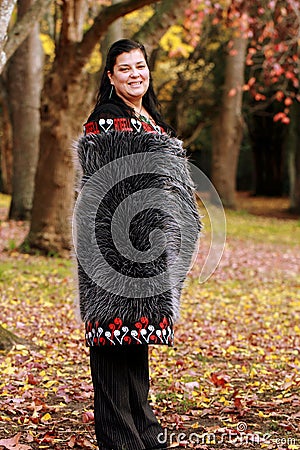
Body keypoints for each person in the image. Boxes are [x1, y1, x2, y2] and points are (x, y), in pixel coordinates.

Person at [74, 39, 200, 450]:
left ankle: (145, 433)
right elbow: (111, 182)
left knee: (133, 343)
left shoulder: (151, 119)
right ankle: (120, 440)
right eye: (124, 68)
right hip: (112, 246)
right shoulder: (106, 120)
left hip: (147, 249)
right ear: (110, 77)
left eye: (140, 66)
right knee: (112, 344)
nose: (134, 74)